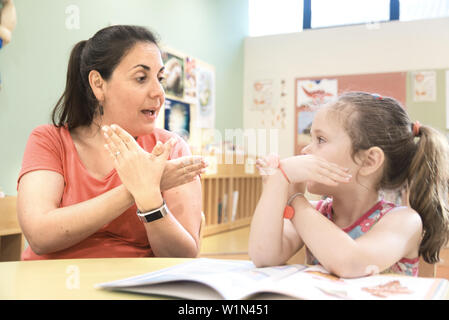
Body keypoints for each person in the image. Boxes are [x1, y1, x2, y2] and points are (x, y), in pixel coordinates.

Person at [17, 25, 207, 260]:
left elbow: (183, 256)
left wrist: (150, 201)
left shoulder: (171, 148)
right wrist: (139, 189)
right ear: (98, 84)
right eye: (141, 78)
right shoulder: (49, 140)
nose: (159, 92)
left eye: (160, 79)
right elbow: (40, 236)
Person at [249, 91, 449, 278]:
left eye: (320, 139)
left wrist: (295, 200)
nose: (306, 150)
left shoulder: (404, 221)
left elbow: (351, 263)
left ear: (369, 161)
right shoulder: (316, 213)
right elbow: (264, 256)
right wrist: (277, 183)